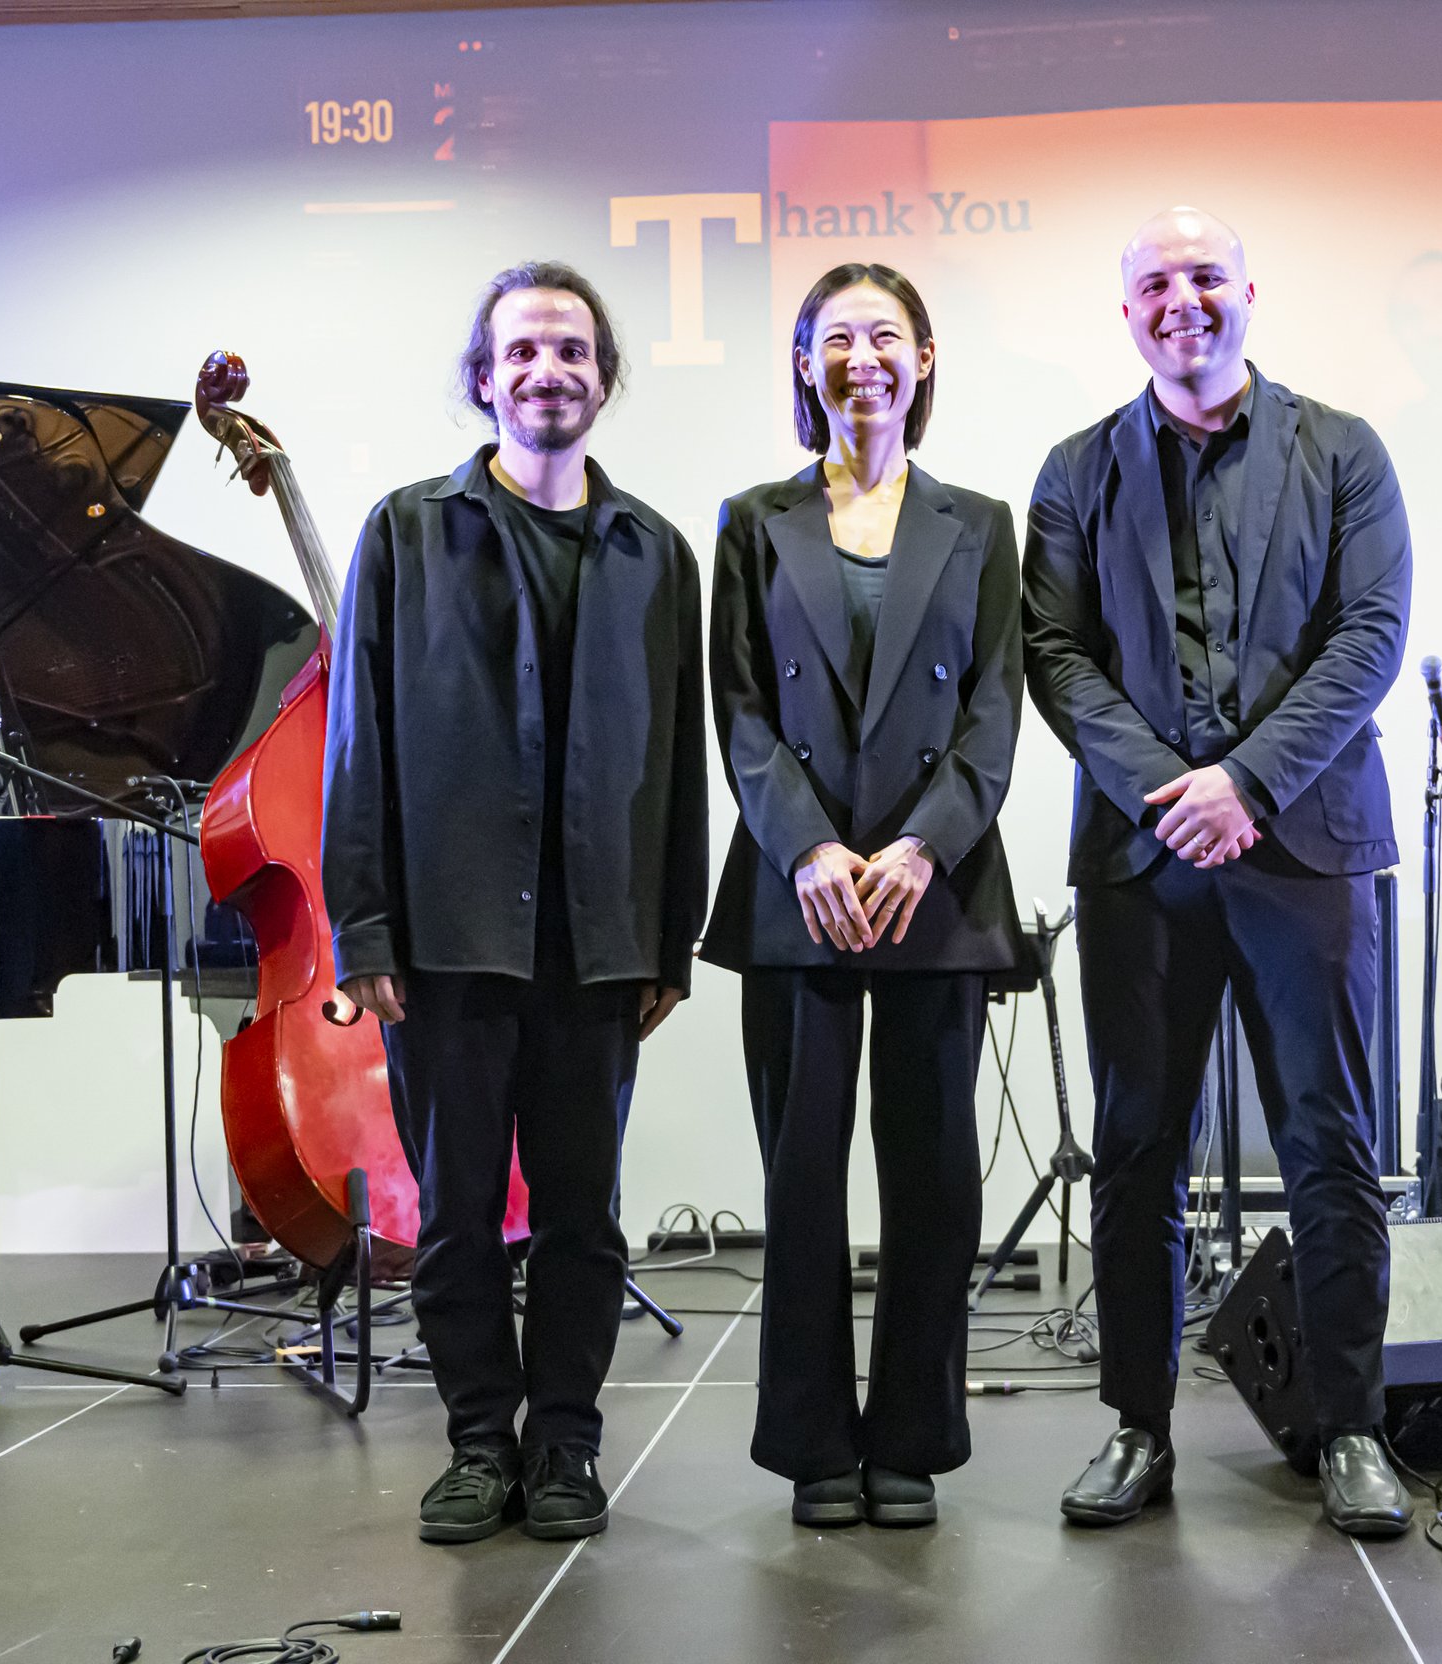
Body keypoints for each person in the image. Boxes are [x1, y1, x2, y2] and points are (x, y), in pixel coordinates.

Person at [1021, 207, 1414, 1537]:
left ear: (1250, 290)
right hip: (1143, 858)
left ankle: (1350, 1425)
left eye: (1203, 276)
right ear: (1126, 311)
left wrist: (1245, 783)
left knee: (1329, 1142)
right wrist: (1171, 791)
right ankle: (1138, 1424)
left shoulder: (1342, 450)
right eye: (1154, 283)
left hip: (1304, 844)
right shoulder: (1076, 471)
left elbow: (1369, 635)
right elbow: (1055, 654)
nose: (1179, 300)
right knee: (1136, 1148)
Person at [322, 260, 707, 1547]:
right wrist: (364, 925)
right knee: (456, 1214)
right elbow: (357, 744)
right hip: (448, 937)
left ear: (604, 378)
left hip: (600, 940)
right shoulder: (405, 532)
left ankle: (566, 1444)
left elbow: (680, 759)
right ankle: (480, 1441)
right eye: (525, 352)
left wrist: (673, 937)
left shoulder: (657, 551)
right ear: (485, 378)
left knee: (586, 1216)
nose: (550, 371)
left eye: (573, 352)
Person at [702, 262, 1025, 1529]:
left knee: (934, 1179)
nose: (863, 359)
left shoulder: (979, 522)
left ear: (923, 358)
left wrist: (920, 848)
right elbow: (739, 710)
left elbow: (994, 710)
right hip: (801, 891)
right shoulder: (751, 519)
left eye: (885, 336)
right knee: (801, 1182)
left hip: (935, 890)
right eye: (836, 338)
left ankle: (912, 1439)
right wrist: (810, 851)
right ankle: (810, 1444)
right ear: (805, 364)